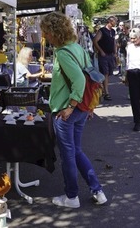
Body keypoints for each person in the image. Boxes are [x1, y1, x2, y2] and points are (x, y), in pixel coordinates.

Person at [40, 12, 107, 208]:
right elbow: (91, 77)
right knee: (76, 151)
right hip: (82, 109)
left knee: (68, 154)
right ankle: (97, 191)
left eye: (45, 32)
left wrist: (71, 106)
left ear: (54, 32)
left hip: (67, 110)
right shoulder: (77, 47)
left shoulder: (62, 52)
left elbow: (79, 79)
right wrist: (88, 105)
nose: (44, 36)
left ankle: (71, 197)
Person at [93, 16, 118, 100]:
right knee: (105, 73)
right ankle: (106, 92)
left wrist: (115, 52)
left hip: (110, 54)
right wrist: (100, 51)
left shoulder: (113, 31)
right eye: (115, 20)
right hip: (103, 55)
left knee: (108, 73)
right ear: (110, 21)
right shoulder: (102, 31)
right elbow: (95, 40)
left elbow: (114, 42)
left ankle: (103, 89)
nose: (116, 22)